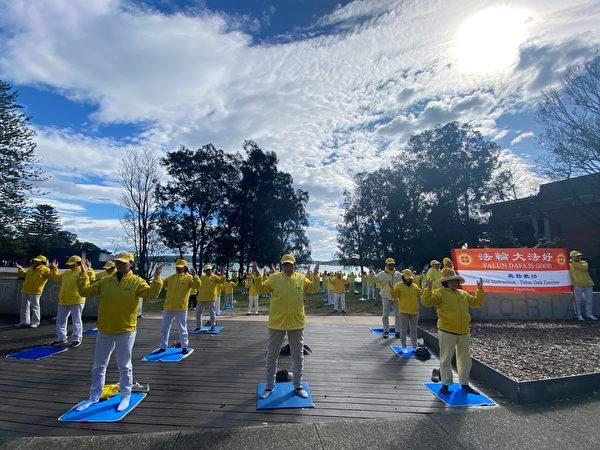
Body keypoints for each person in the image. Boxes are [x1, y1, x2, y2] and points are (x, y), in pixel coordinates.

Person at [75, 253, 163, 412]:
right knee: (98, 365)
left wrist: (157, 277)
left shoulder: (137, 281)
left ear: (131, 264)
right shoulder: (106, 281)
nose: (120, 265)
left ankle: (125, 396)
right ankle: (94, 396)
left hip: (125, 329)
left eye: (124, 263)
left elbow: (152, 294)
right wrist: (83, 273)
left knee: (124, 365)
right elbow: (84, 292)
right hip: (105, 329)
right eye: (118, 262)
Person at [251, 254, 320, 400]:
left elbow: (313, 288)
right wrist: (257, 274)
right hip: (277, 323)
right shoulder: (275, 278)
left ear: (294, 265)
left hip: (296, 323)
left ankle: (298, 385)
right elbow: (260, 289)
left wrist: (315, 274)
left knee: (298, 356)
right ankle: (269, 386)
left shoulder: (301, 278)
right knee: (272, 356)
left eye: (290, 264)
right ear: (282, 266)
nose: (287, 267)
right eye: (285, 265)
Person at [422, 268, 484, 395]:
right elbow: (427, 302)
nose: (454, 283)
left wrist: (480, 290)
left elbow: (476, 302)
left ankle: (465, 384)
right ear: (445, 282)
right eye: (451, 281)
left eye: (456, 280)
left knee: (465, 359)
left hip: (464, 331)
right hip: (447, 330)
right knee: (445, 359)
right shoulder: (439, 293)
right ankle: (445, 384)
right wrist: (427, 289)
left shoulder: (463, 294)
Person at [154, 259, 200, 355]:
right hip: (168, 307)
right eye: (177, 267)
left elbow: (197, 285)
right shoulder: (171, 278)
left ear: (185, 267)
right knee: (164, 328)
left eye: (180, 267)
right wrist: (157, 274)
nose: (178, 269)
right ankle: (163, 346)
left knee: (182, 328)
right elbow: (161, 284)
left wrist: (195, 275)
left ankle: (184, 347)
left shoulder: (189, 278)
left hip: (181, 307)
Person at [49, 256, 96, 347]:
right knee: (60, 321)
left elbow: (92, 278)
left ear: (78, 263)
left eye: (72, 264)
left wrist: (88, 268)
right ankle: (61, 339)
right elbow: (57, 277)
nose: (70, 266)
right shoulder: (67, 272)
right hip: (63, 300)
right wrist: (54, 269)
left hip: (77, 300)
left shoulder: (84, 271)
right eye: (69, 264)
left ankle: (76, 339)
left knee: (76, 320)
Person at [15, 255, 51, 328]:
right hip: (26, 289)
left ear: (42, 262)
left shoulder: (46, 269)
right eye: (35, 260)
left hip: (36, 291)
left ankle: (35, 322)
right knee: (24, 306)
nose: (35, 262)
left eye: (37, 261)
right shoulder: (31, 268)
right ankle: (24, 321)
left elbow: (49, 276)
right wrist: (20, 269)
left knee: (35, 307)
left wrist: (53, 268)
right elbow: (25, 275)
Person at [391, 269, 422, 349]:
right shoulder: (398, 285)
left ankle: (415, 346)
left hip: (415, 311)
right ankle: (403, 346)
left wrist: (425, 289)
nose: (409, 279)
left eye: (410, 278)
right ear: (403, 277)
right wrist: (391, 289)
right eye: (407, 278)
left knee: (414, 330)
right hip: (403, 311)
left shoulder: (415, 286)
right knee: (403, 330)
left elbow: (419, 295)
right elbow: (395, 296)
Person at [374, 258, 403, 338]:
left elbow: (403, 283)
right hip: (386, 297)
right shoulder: (382, 274)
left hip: (396, 298)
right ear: (386, 265)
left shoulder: (398, 274)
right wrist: (372, 273)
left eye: (392, 264)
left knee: (398, 315)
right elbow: (374, 279)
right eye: (389, 264)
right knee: (385, 315)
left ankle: (397, 331)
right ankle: (386, 331)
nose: (391, 266)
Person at [192, 264, 223, 332]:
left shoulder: (215, 277)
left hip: (211, 298)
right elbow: (197, 284)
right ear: (204, 271)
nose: (209, 271)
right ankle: (198, 326)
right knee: (198, 313)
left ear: (211, 270)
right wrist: (194, 275)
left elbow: (222, 281)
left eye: (210, 269)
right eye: (207, 270)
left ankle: (213, 326)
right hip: (201, 298)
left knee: (212, 313)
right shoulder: (202, 277)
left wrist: (222, 275)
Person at [569, 250, 597, 321]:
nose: (578, 257)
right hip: (577, 284)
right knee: (577, 301)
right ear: (572, 257)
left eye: (579, 256)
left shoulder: (584, 262)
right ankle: (578, 315)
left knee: (589, 301)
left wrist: (572, 263)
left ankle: (589, 315)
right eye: (576, 256)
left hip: (588, 283)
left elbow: (583, 268)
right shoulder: (569, 264)